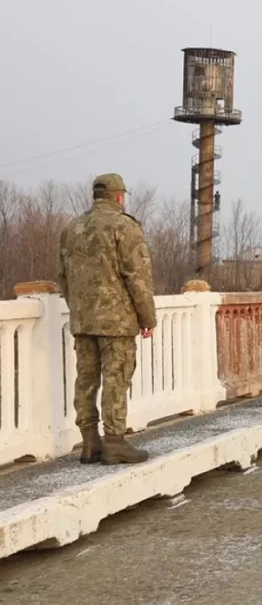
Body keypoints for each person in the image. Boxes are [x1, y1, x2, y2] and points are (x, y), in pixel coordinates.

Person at [58, 173, 157, 465]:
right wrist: (147, 317)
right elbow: (137, 276)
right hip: (116, 321)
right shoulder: (123, 226)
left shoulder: (72, 228)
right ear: (118, 196)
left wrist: (78, 308)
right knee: (116, 377)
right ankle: (114, 442)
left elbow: (63, 276)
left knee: (86, 379)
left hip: (83, 320)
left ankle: (90, 443)